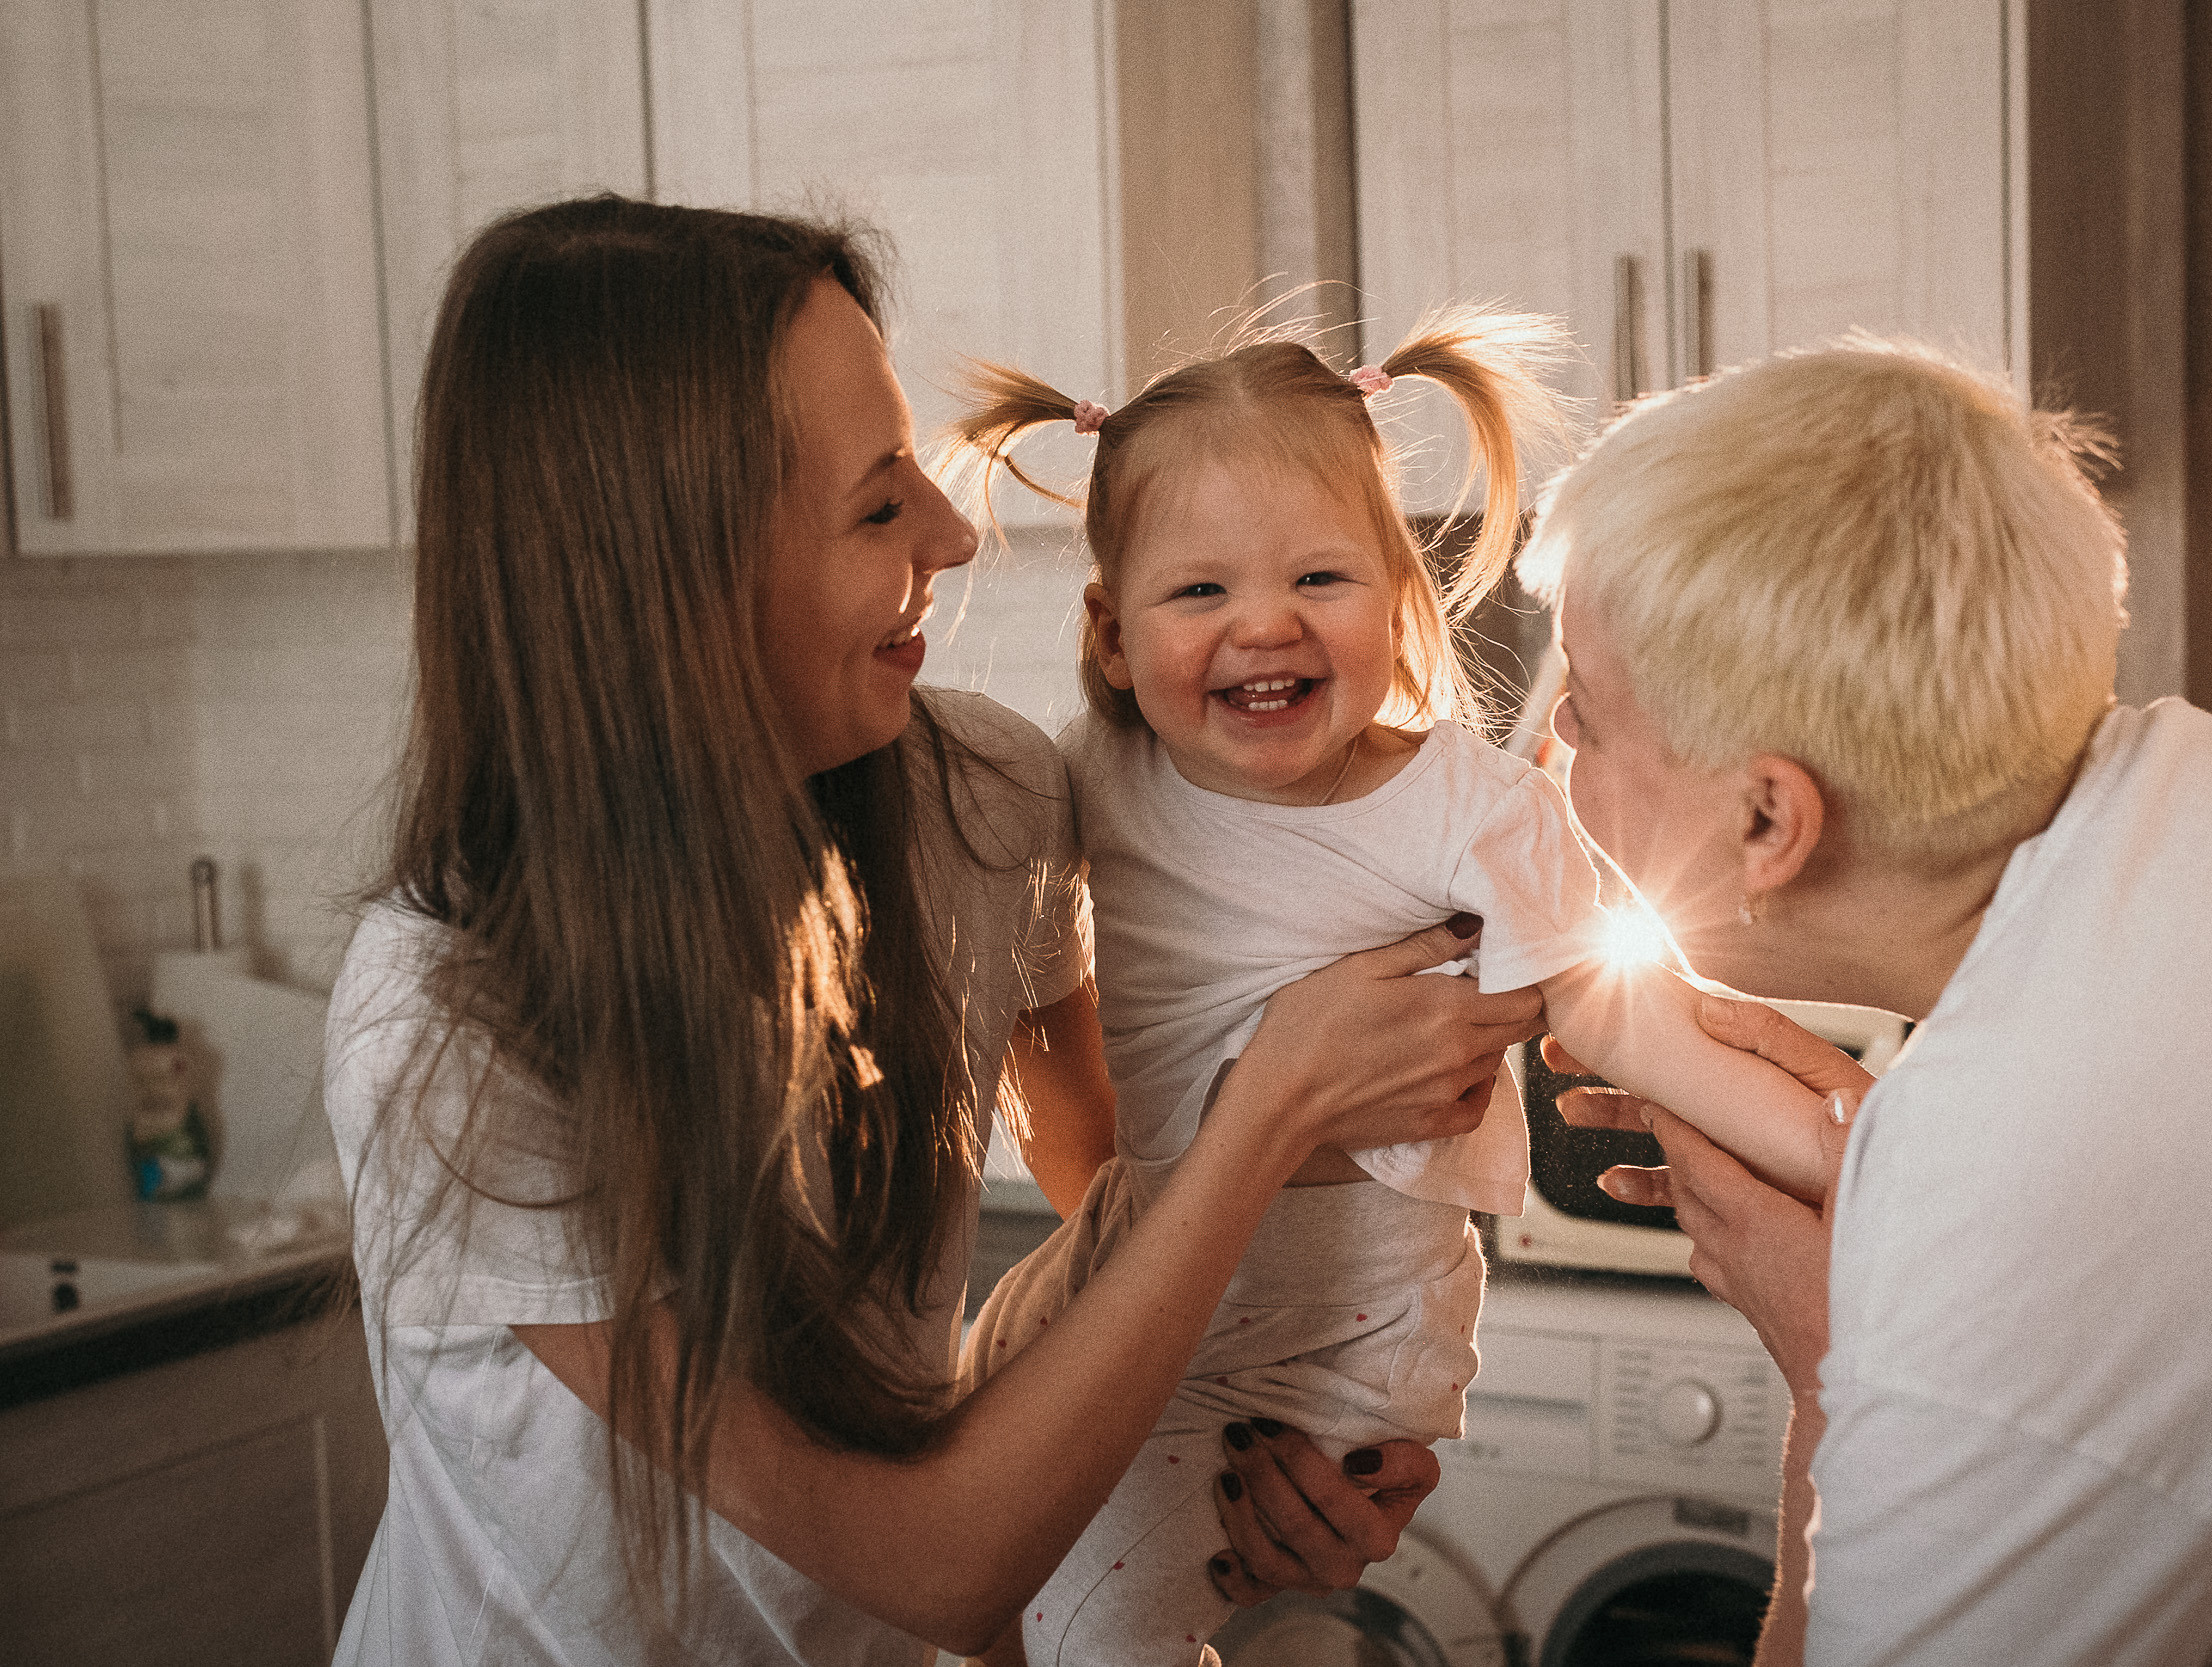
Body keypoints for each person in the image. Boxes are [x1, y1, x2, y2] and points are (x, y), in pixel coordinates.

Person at [319, 195, 1548, 1667]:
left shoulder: (984, 798)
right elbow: (940, 1569)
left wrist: (1261, 1405)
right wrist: (1278, 1103)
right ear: (676, 577)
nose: (959, 535)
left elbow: (1107, 1164)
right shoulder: (451, 1023)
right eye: (878, 500)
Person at [1519, 336, 2212, 1663]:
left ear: (1768, 821)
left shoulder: (2025, 1198)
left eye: (1585, 710)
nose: (1553, 748)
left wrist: (1837, 1371)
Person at [940, 313, 1834, 1666]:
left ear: (1400, 594)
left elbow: (1616, 1017)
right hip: (1123, 1260)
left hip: (1327, 1327)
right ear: (1112, 636)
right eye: (1199, 593)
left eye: (1320, 576)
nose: (1264, 622)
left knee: (1088, 1646)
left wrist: (1857, 1161)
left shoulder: (1466, 810)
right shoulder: (1092, 777)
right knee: (956, 1565)